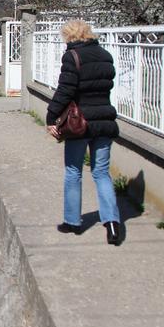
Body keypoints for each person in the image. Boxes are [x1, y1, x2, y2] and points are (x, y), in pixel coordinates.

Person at [46, 20, 122, 245]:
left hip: (80, 123)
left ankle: (72, 222)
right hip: (105, 121)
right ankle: (112, 224)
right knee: (101, 173)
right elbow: (107, 86)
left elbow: (65, 90)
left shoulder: (73, 57)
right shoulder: (106, 55)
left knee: (73, 171)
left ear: (69, 36)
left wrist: (51, 117)